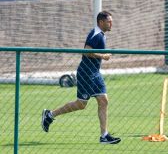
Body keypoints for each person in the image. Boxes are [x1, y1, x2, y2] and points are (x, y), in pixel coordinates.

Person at [41, 11, 121, 144]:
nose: (111, 23)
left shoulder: (102, 35)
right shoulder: (95, 34)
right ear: (101, 22)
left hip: (95, 73)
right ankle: (50, 115)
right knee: (81, 104)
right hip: (86, 73)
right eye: (109, 21)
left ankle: (104, 136)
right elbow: (86, 50)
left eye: (111, 21)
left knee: (103, 100)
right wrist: (103, 56)